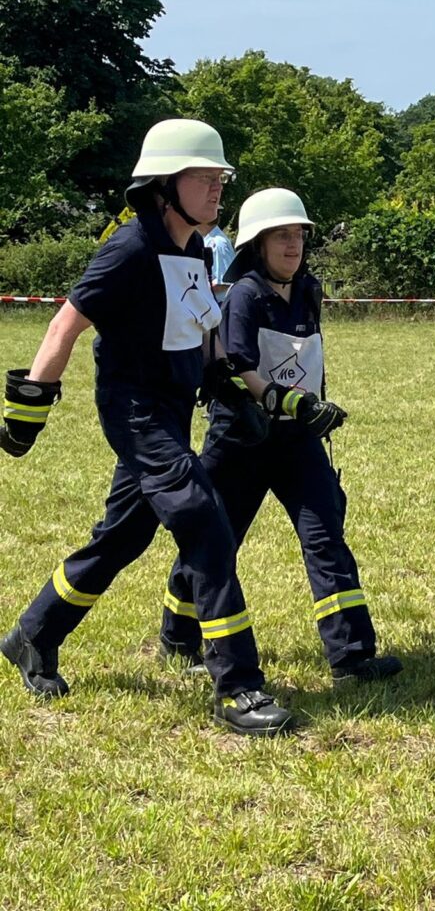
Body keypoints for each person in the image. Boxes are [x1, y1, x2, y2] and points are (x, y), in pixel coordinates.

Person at [0, 119, 293, 737]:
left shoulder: (189, 247)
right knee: (204, 520)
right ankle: (238, 686)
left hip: (171, 410)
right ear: (164, 185)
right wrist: (30, 410)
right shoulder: (129, 250)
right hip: (134, 413)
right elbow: (65, 326)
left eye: (220, 180)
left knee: (122, 538)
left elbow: (202, 324)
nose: (217, 190)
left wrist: (224, 385)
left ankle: (32, 635)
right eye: (204, 178)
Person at [159, 187, 403, 686]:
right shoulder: (244, 295)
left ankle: (352, 657)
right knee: (216, 543)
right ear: (256, 244)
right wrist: (288, 401)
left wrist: (312, 407)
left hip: (298, 442)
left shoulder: (308, 289)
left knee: (326, 540)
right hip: (242, 442)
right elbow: (239, 364)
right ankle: (178, 634)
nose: (293, 246)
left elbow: (307, 355)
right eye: (281, 236)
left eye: (298, 235)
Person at [199, 214, 236, 302]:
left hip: (220, 305)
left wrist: (197, 291)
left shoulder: (218, 243)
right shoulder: (208, 240)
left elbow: (223, 283)